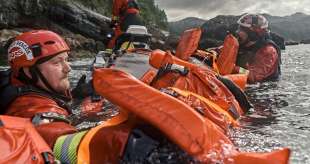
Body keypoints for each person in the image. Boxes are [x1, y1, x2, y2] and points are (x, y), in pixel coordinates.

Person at [232, 13, 281, 83]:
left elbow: (253, 76)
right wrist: (212, 54)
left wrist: (234, 68)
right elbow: (220, 50)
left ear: (252, 33)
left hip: (263, 90)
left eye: (241, 29)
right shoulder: (240, 44)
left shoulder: (268, 51)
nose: (237, 32)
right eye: (239, 28)